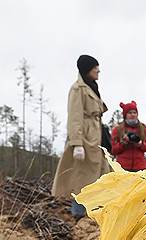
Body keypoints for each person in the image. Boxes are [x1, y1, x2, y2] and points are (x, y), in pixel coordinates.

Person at [52, 54, 110, 217]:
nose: (98, 71)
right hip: (85, 137)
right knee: (81, 179)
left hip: (96, 135)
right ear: (87, 70)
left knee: (99, 176)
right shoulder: (78, 89)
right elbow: (75, 117)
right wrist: (77, 143)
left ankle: (94, 214)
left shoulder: (91, 86)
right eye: (95, 68)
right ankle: (78, 215)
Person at [111, 101, 146, 172]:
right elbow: (113, 150)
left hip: (140, 169)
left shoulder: (143, 128)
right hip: (122, 169)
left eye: (134, 112)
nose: (133, 115)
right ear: (125, 115)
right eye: (130, 113)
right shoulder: (117, 129)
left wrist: (140, 144)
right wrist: (123, 143)